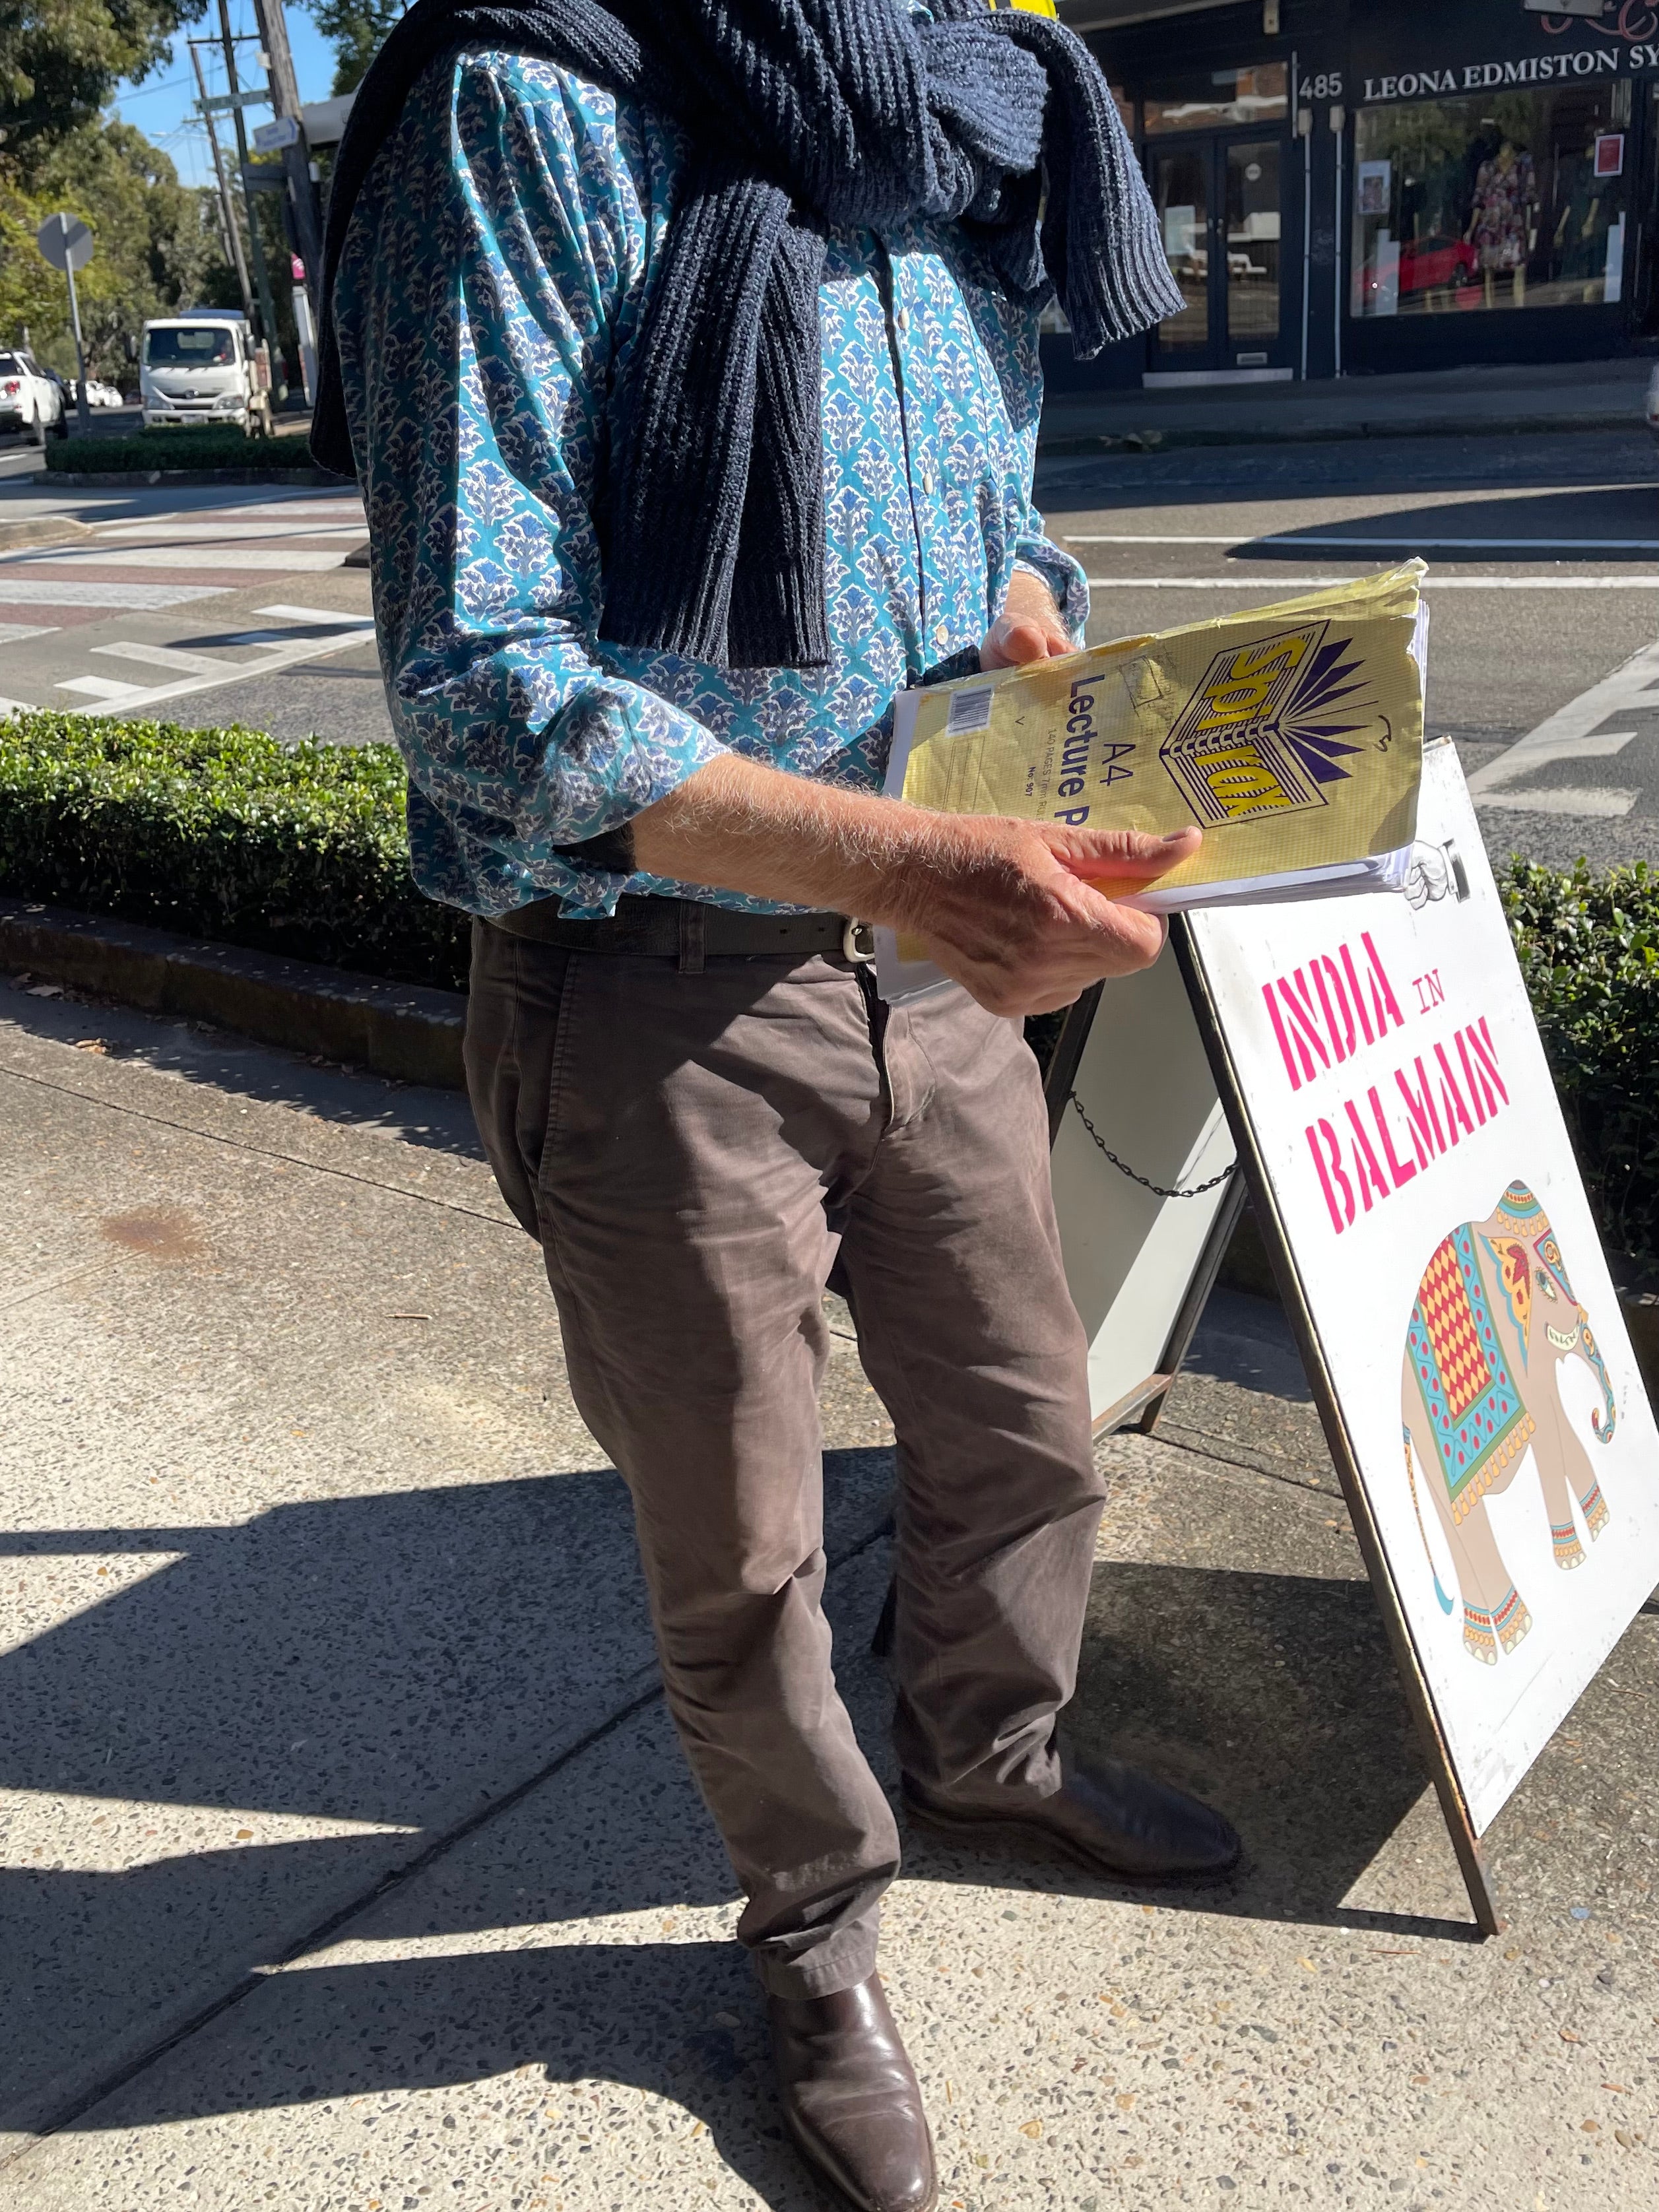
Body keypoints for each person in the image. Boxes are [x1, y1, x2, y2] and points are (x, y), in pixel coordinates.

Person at [320, 3, 1241, 2205]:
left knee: (1024, 1415)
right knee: (734, 1548)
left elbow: (992, 516)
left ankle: (989, 1747)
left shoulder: (962, 120)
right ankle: (815, 1939)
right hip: (655, 989)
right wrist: (896, 859)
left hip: (927, 961)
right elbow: (481, 681)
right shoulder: (526, 97)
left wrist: (1025, 631)